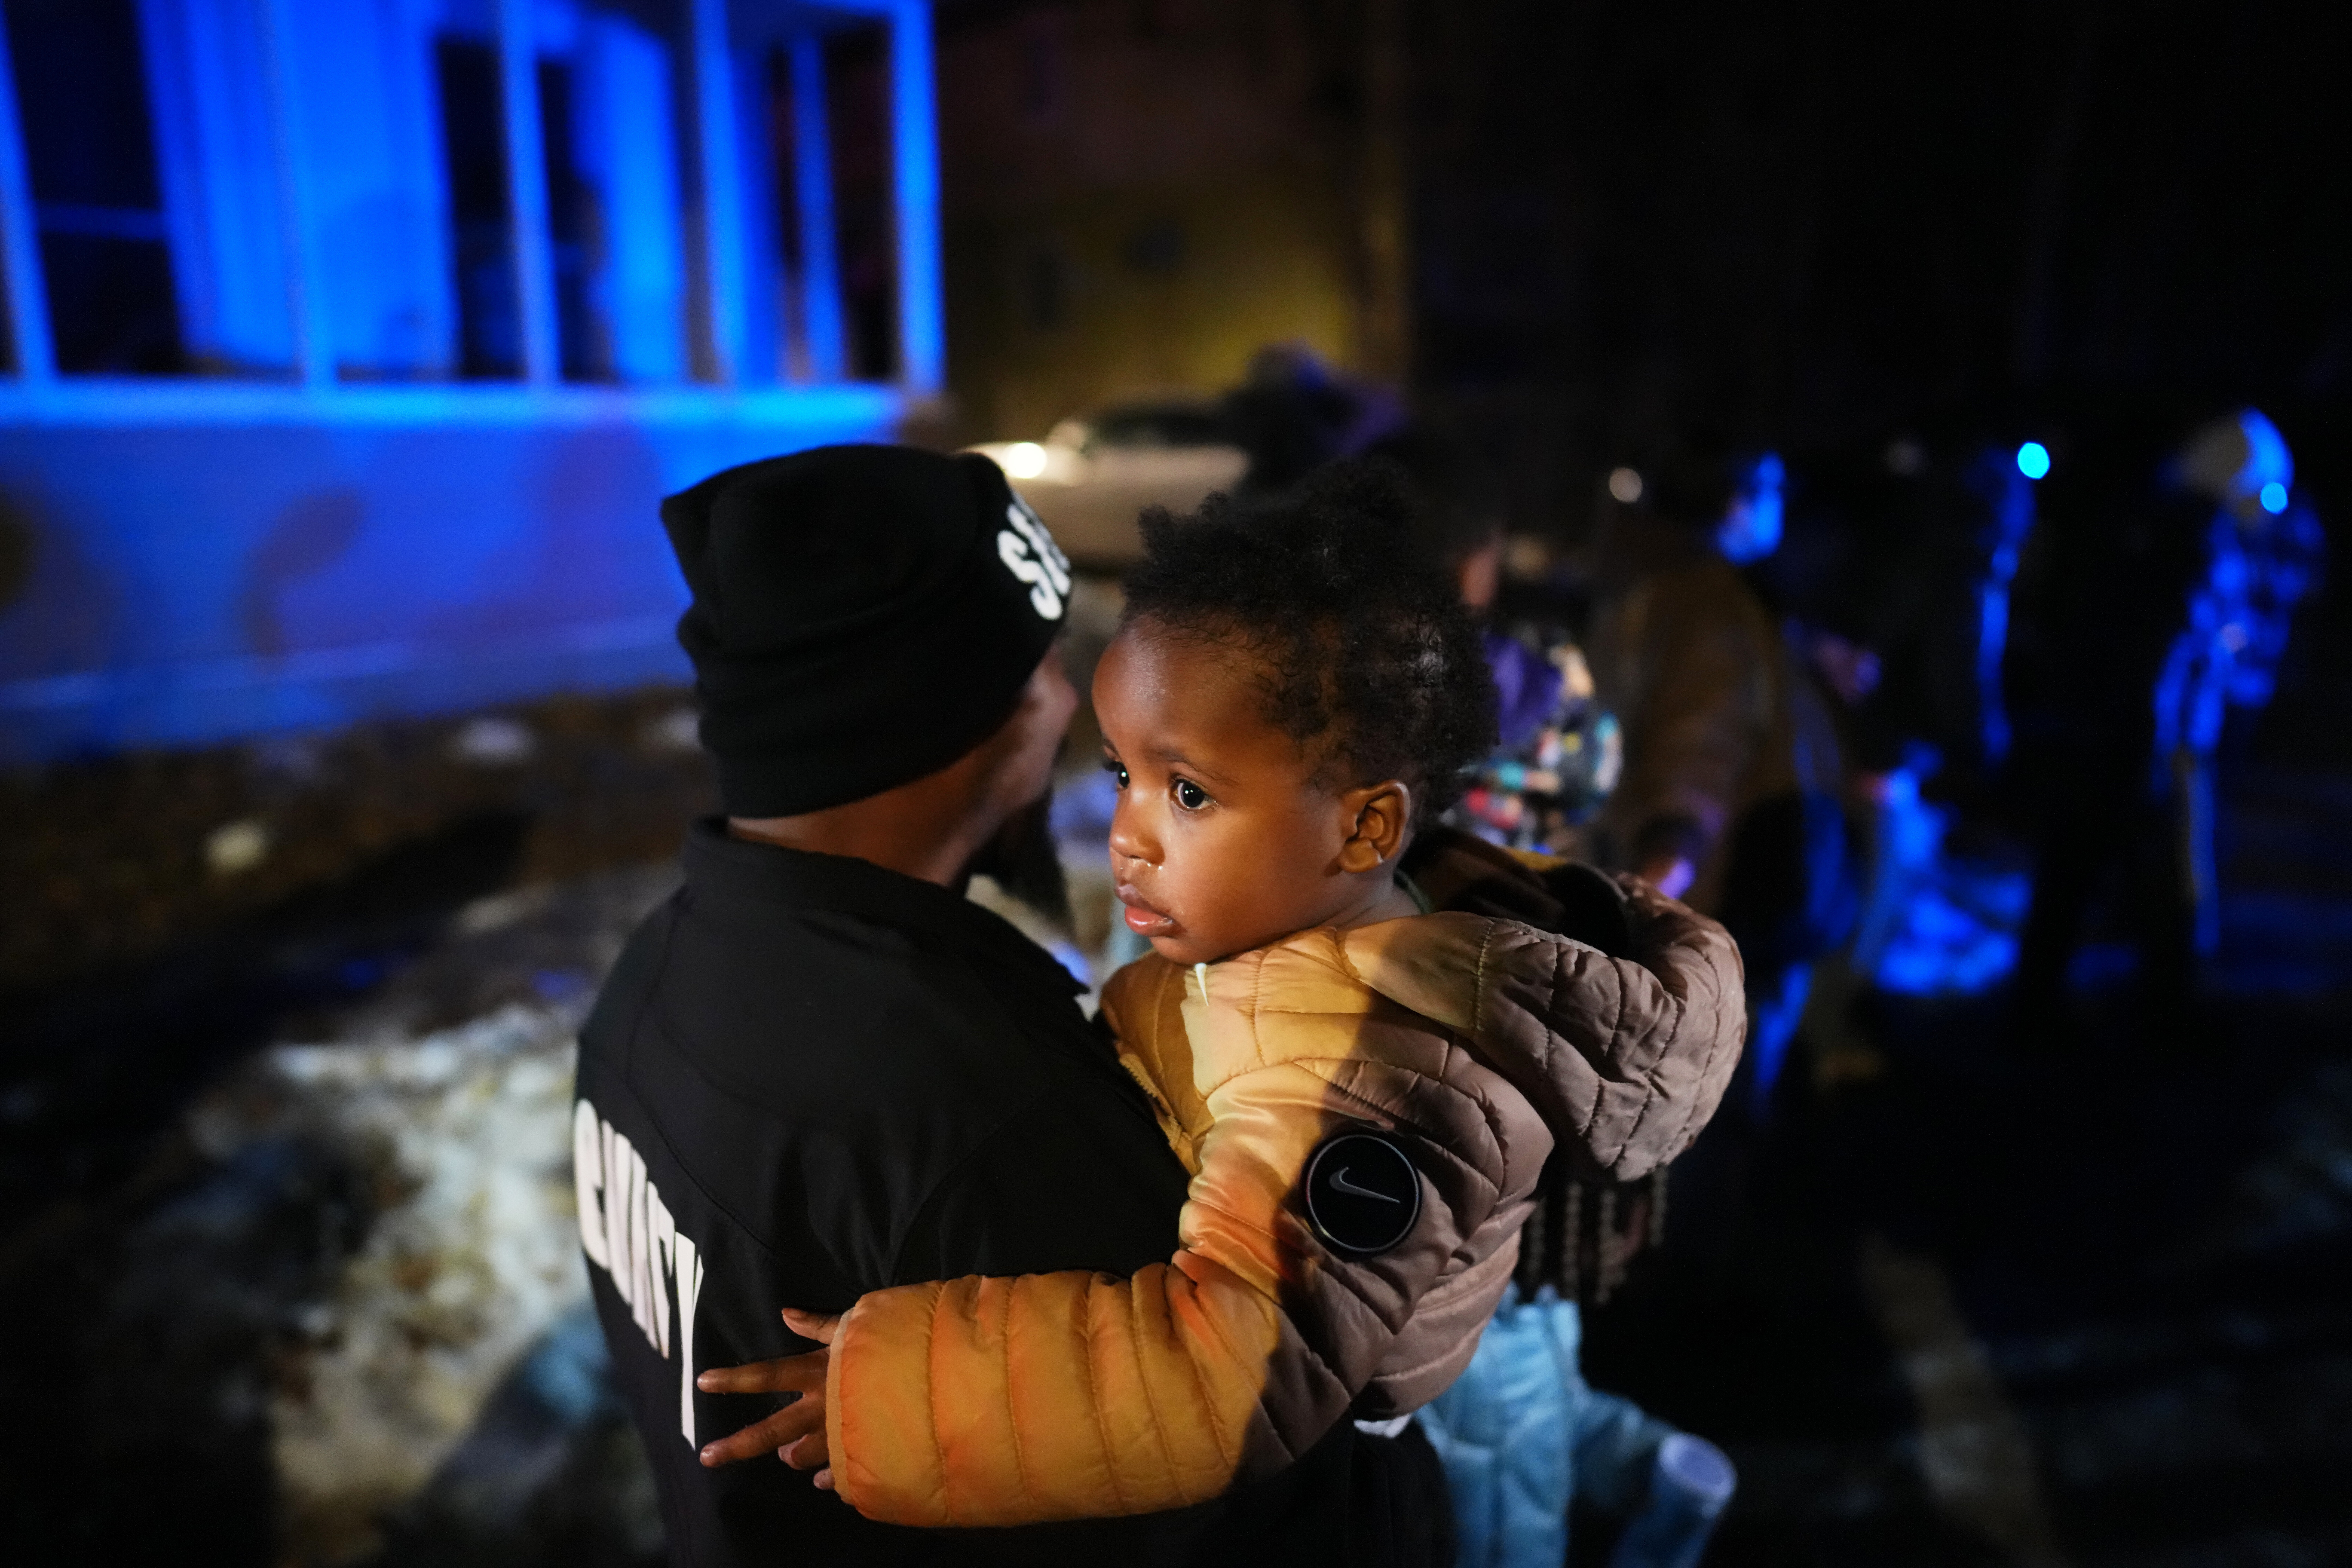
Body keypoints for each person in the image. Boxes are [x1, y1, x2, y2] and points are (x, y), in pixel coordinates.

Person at [693, 464, 1748, 1540]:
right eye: (1121, 775)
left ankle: (1665, 1512)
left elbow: (1221, 1378)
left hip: (1373, 1463)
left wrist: (905, 1398)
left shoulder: (1369, 1078)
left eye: (1187, 792)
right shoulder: (1285, 923)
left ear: (1366, 830)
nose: (1129, 835)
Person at [572, 445, 1447, 1567]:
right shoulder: (985, 1111)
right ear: (958, 717)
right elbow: (1267, 1515)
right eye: (1047, 664)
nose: (1070, 708)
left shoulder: (650, 983)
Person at [1586, 443, 1854, 1116]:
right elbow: (1700, 743)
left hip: (1704, 882)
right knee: (1709, 1104)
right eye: (1768, 494)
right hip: (1724, 894)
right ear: (1736, 503)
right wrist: (1665, 871)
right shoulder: (1709, 599)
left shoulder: (1650, 582)